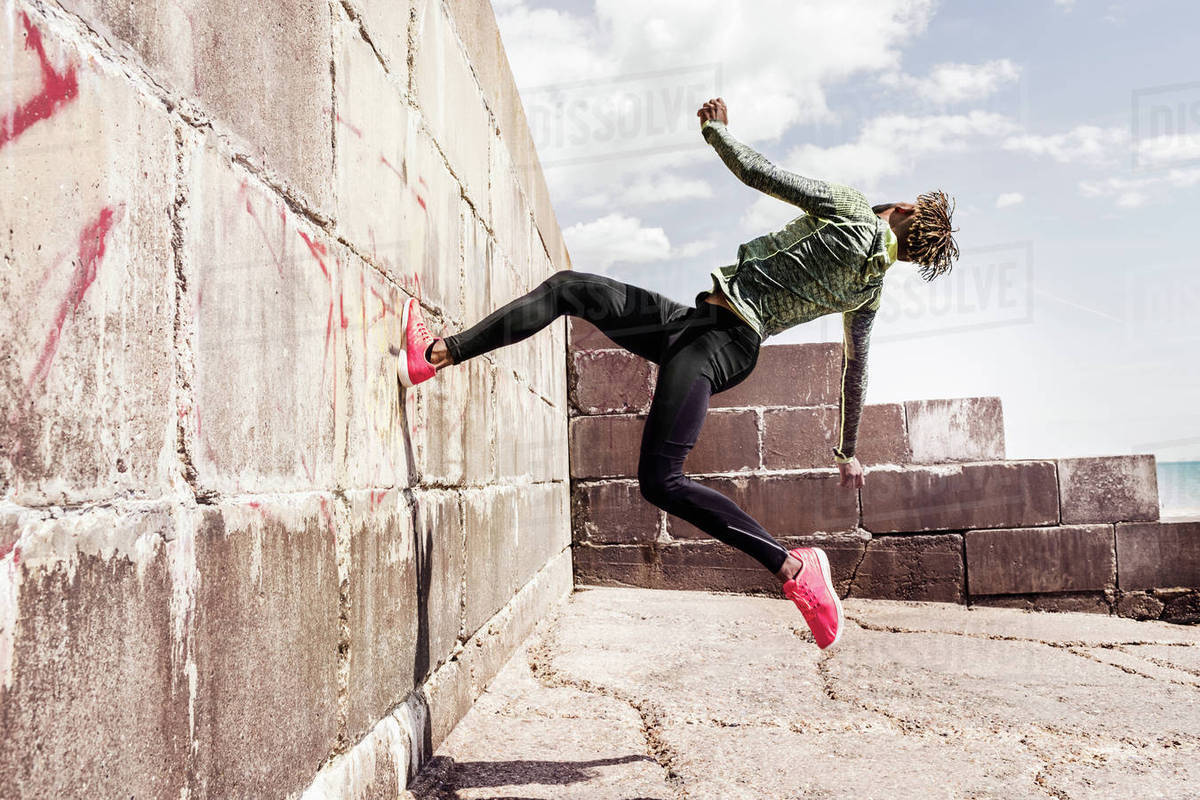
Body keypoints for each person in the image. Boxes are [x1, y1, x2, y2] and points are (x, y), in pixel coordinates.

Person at [395, 97, 960, 650]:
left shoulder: (853, 210)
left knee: (660, 479)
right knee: (571, 289)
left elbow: (761, 174)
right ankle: (435, 357)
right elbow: (854, 368)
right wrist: (846, 449)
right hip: (698, 327)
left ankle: (794, 567)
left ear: (906, 209)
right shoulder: (871, 290)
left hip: (719, 341)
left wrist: (716, 131)